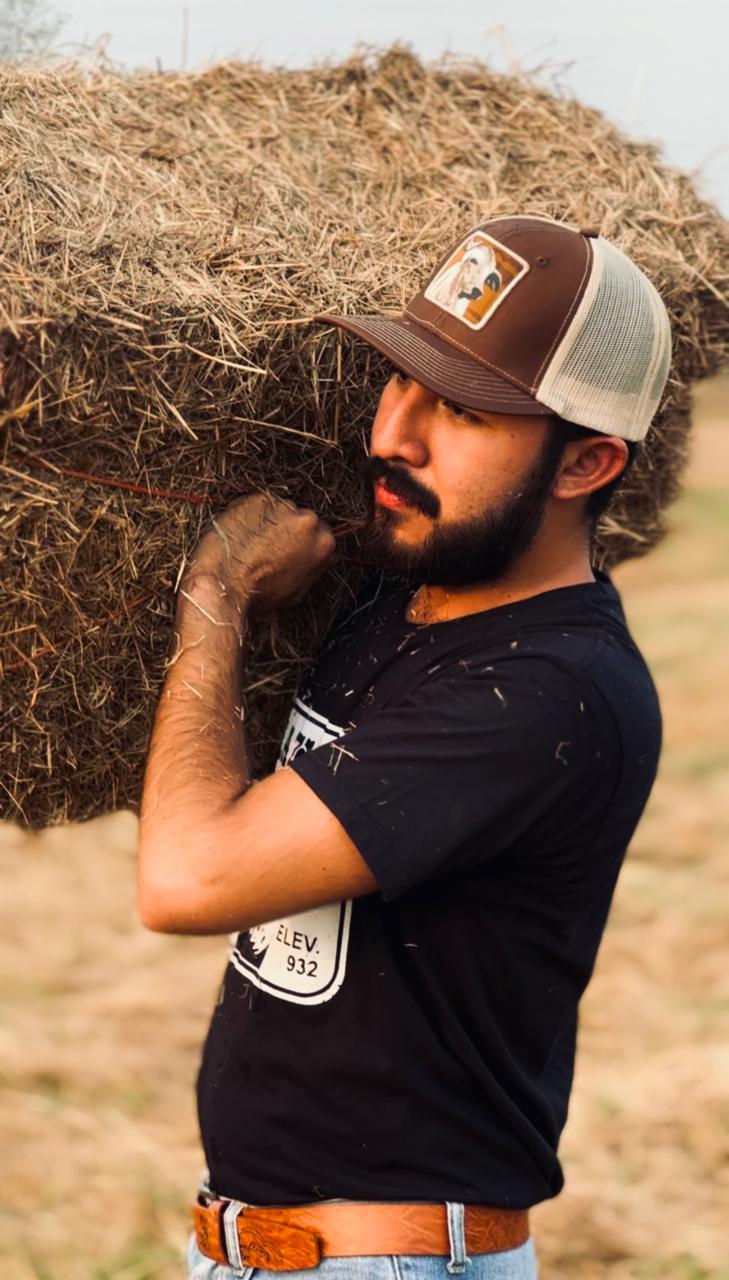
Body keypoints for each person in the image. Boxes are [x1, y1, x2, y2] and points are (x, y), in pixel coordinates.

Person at [137, 214, 672, 1279]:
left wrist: (215, 596)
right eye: (402, 380)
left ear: (587, 462)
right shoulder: (406, 591)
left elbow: (187, 878)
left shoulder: (545, 693)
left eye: (462, 412)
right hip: (276, 1249)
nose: (393, 435)